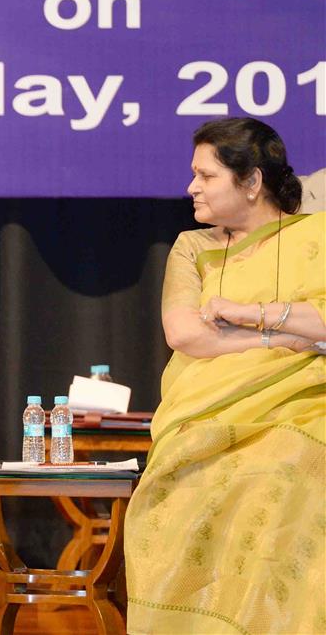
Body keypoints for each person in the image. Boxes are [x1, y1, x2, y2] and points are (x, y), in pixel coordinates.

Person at [125, 118, 325, 634]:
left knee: (286, 467)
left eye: (206, 175)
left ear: (252, 181)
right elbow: (186, 335)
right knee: (193, 481)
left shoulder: (318, 236)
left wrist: (245, 310)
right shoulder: (193, 247)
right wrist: (282, 333)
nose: (191, 186)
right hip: (206, 407)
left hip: (305, 401)